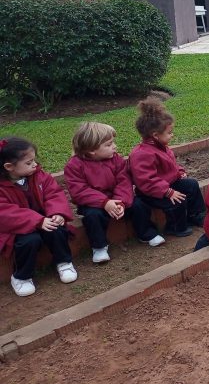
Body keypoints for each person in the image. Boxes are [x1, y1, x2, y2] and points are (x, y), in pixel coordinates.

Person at [64, 122, 161, 262]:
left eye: (113, 142)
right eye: (109, 144)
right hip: (94, 204)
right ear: (92, 150)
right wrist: (104, 202)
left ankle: (146, 233)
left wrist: (120, 201)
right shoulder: (74, 166)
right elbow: (79, 191)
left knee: (138, 205)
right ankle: (99, 247)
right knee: (92, 216)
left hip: (118, 199)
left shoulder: (116, 159)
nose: (114, 146)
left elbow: (124, 181)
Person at [0, 137, 77, 297]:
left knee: (56, 229)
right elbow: (6, 213)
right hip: (17, 228)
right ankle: (21, 276)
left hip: (44, 219)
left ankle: (63, 262)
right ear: (9, 167)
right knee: (29, 241)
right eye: (29, 163)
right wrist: (37, 221)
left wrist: (56, 213)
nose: (35, 165)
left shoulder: (39, 176)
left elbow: (53, 194)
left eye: (34, 160)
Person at [129, 98, 205, 238]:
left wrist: (179, 172)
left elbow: (171, 165)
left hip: (167, 184)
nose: (172, 135)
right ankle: (175, 227)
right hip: (151, 193)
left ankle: (195, 215)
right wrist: (168, 192)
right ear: (155, 135)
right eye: (169, 132)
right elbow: (147, 181)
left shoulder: (161, 146)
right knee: (178, 200)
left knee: (192, 185)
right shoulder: (142, 154)